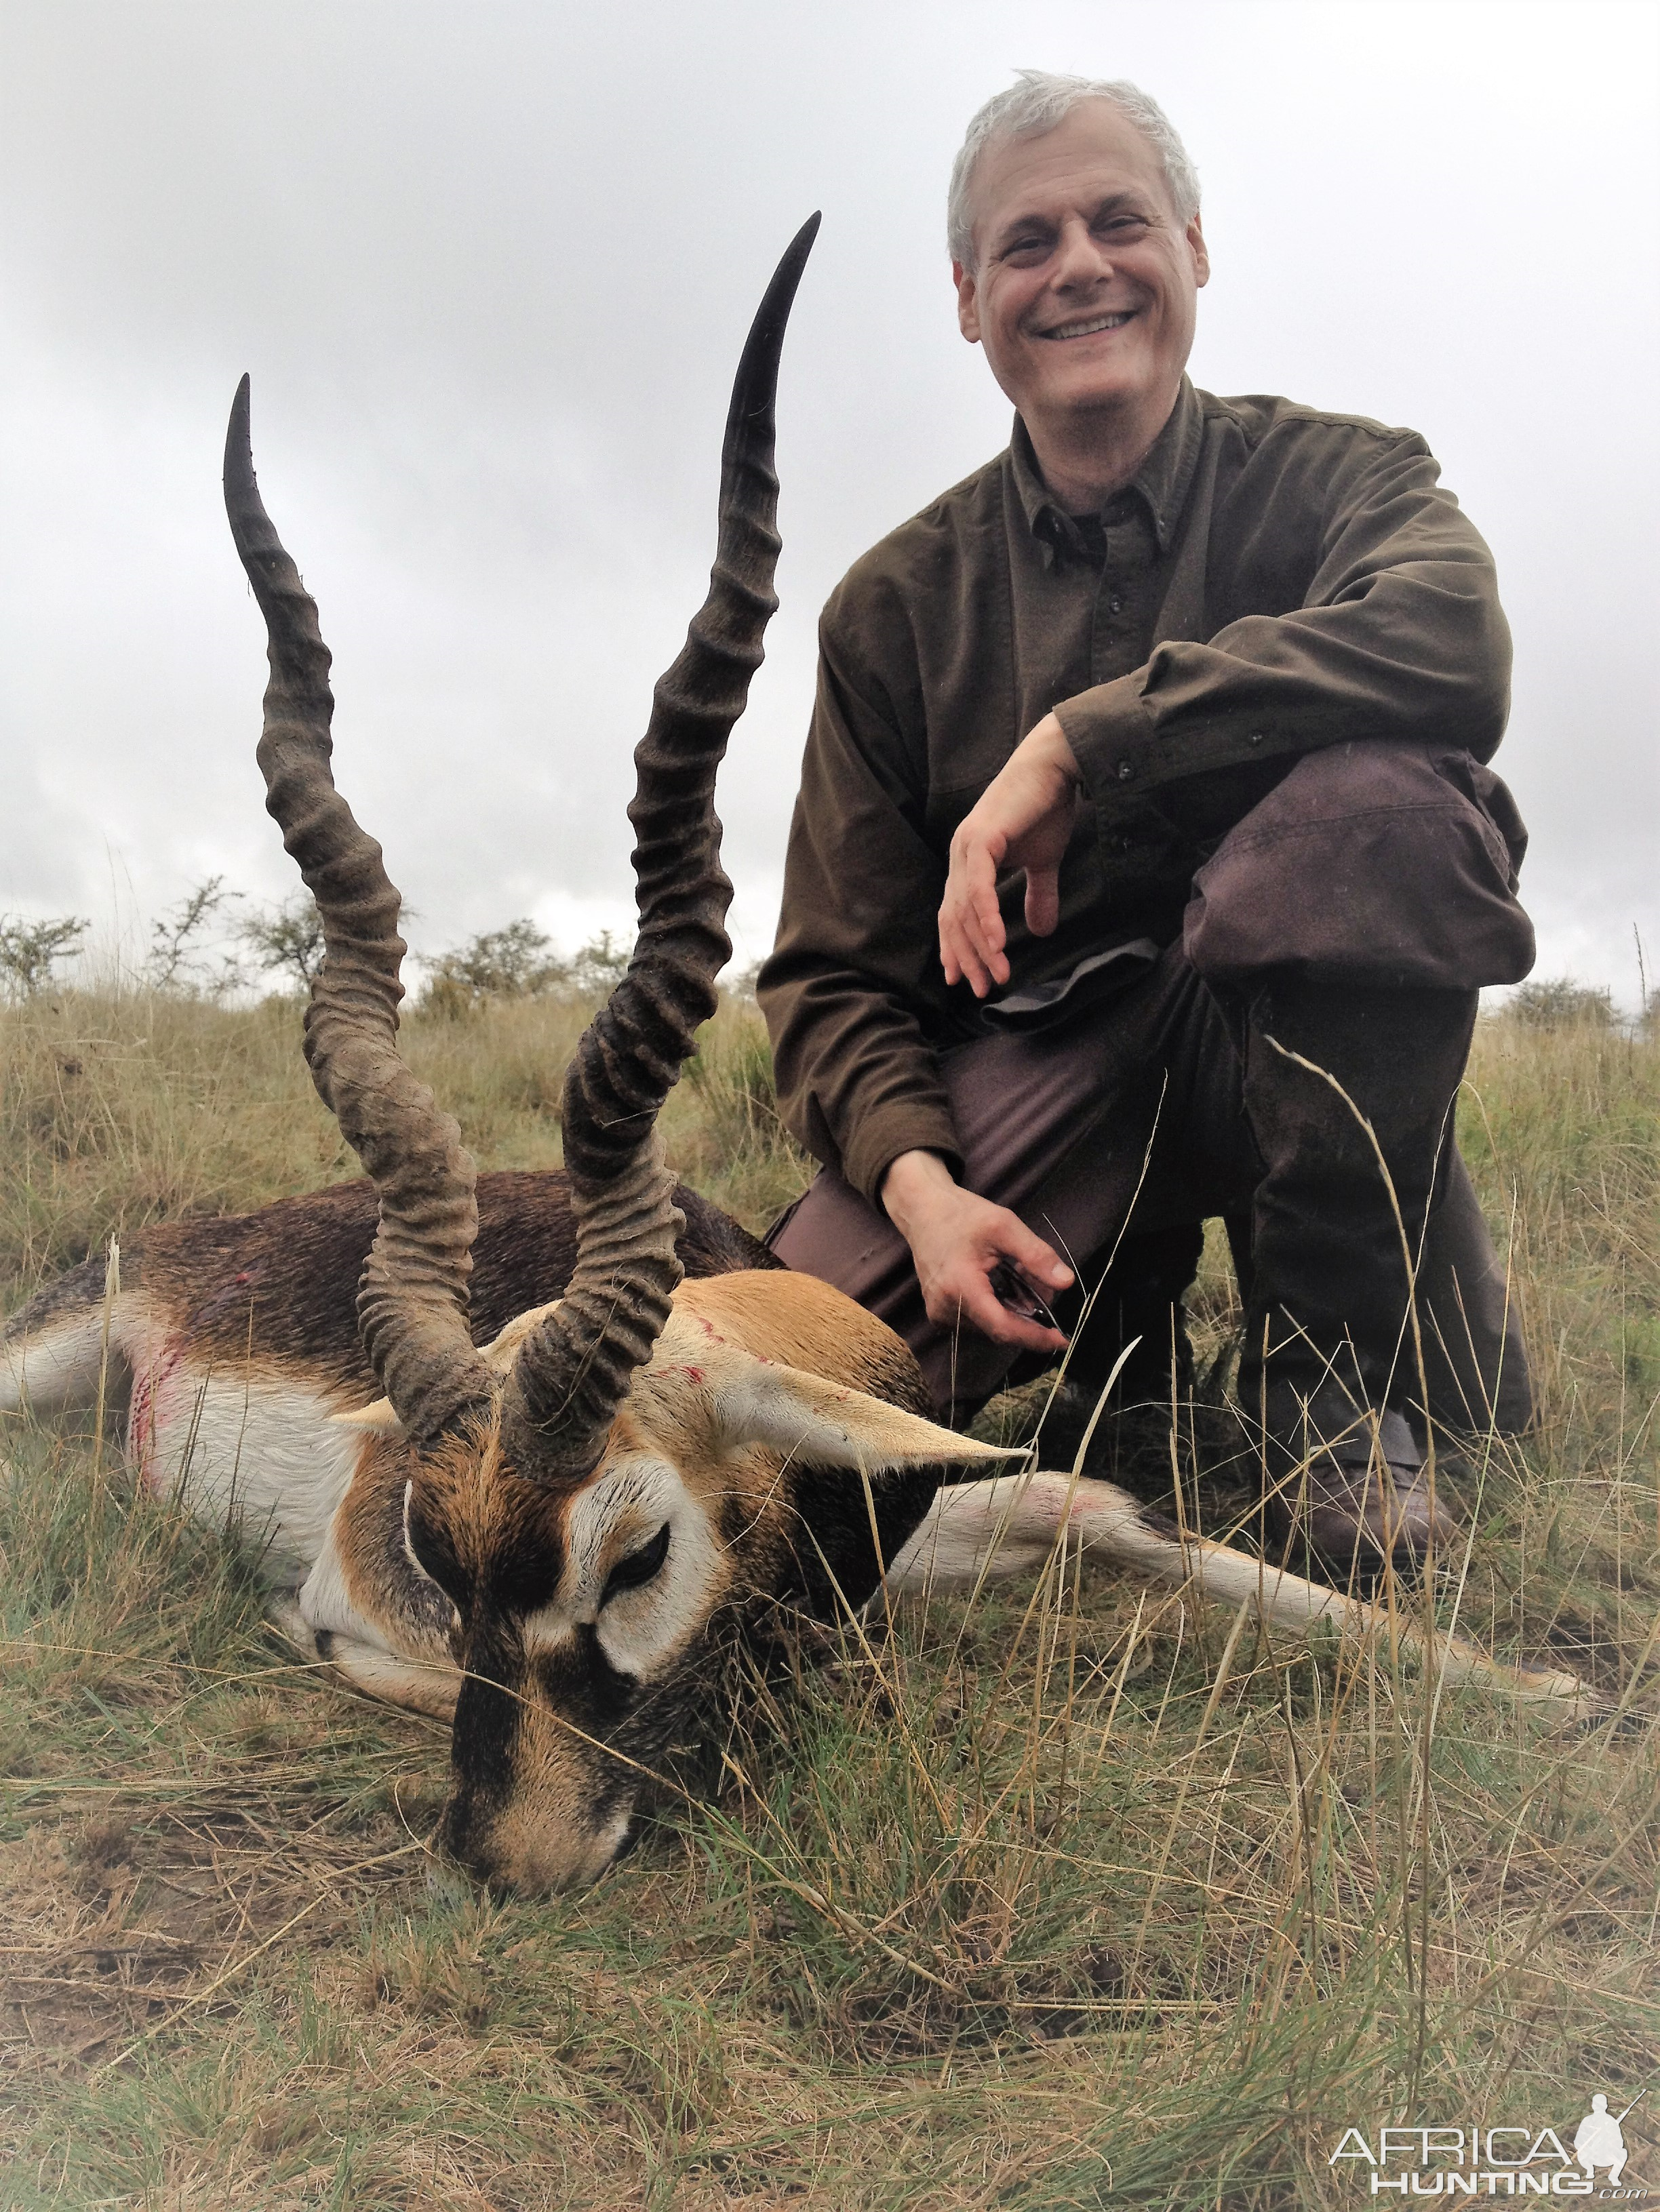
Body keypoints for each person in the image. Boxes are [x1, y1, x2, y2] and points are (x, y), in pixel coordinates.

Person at [757, 71, 1537, 1575]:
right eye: (1029, 242)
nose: (1082, 267)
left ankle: (1331, 1381)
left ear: (1191, 245)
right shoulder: (889, 609)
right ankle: (1114, 1326)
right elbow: (834, 976)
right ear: (971, 300)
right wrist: (917, 1187)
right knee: (784, 1402)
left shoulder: (1348, 478)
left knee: (1379, 813)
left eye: (1121, 222)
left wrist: (1088, 739)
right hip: (1051, 1069)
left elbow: (1458, 640)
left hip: (1293, 1074)